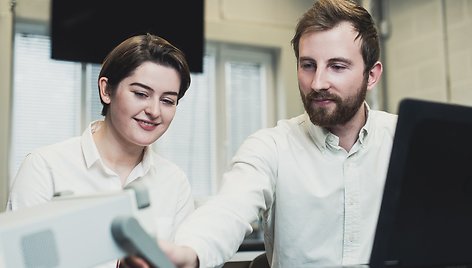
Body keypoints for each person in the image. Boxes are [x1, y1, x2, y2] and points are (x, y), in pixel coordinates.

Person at [152, 0, 399, 267]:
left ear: (371, 75)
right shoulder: (271, 147)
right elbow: (228, 209)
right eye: (308, 65)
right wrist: (190, 252)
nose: (317, 83)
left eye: (337, 66)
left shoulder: (404, 141)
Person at [6, 33, 195, 266]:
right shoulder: (45, 168)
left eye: (167, 100)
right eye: (141, 94)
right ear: (106, 91)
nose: (154, 111)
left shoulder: (175, 182)